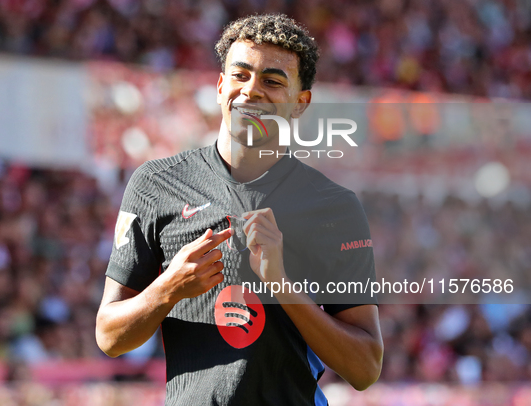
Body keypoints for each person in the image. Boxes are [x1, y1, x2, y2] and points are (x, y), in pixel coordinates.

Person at [96, 13, 383, 405]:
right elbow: (109, 337)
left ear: (301, 103)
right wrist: (167, 289)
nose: (251, 91)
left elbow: (365, 368)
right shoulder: (155, 185)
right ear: (219, 85)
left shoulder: (334, 208)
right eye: (240, 74)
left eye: (272, 81)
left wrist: (281, 285)